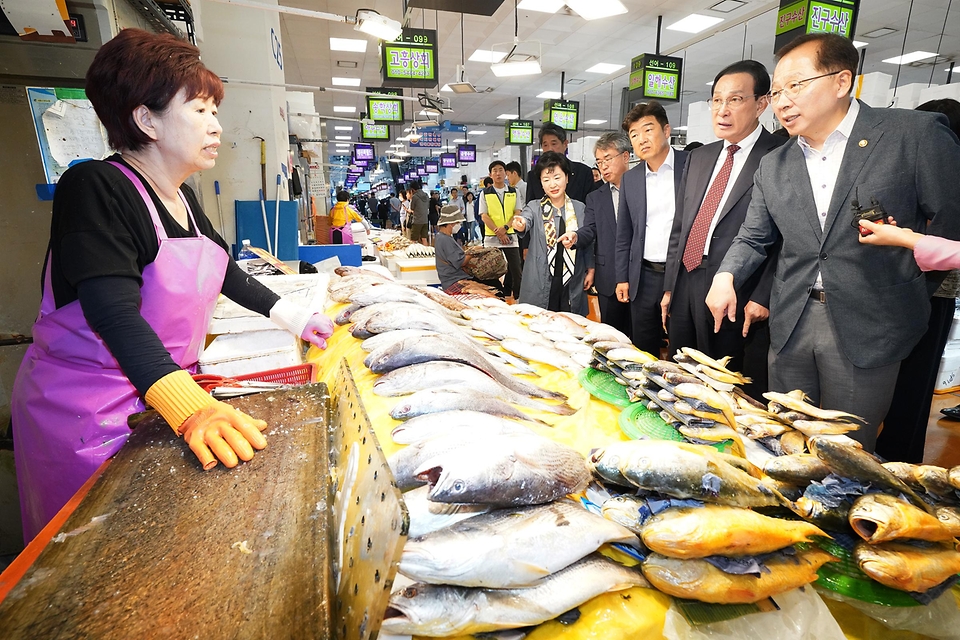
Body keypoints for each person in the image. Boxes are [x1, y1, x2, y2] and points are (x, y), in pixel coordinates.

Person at [10, 29, 335, 542]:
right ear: (146, 119)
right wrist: (194, 409)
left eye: (214, 111)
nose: (217, 127)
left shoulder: (181, 198)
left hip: (161, 396)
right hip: (88, 414)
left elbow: (224, 270)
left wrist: (296, 316)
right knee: (98, 553)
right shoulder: (95, 187)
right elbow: (114, 314)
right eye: (201, 111)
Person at [705, 33, 960, 452]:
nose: (783, 101)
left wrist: (913, 286)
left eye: (796, 86)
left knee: (848, 449)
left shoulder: (911, 136)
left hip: (871, 322)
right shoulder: (775, 163)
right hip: (791, 321)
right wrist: (727, 276)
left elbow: (951, 222)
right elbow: (754, 236)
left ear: (841, 82)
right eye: (777, 91)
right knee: (785, 438)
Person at [662, 60, 785, 398]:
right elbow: (681, 227)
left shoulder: (779, 157)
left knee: (726, 382)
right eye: (716, 100)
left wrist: (762, 295)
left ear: (761, 103)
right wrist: (670, 287)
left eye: (735, 99)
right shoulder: (701, 157)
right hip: (687, 280)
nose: (722, 110)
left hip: (739, 290)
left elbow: (785, 238)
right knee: (681, 372)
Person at [861, 98, 960, 458]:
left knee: (914, 386)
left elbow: (947, 241)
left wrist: (908, 240)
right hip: (905, 287)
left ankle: (900, 459)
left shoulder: (944, 177)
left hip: (932, 290)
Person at [615, 101, 688, 356]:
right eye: (634, 135)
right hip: (643, 275)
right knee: (643, 346)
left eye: (648, 130)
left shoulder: (691, 166)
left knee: (683, 346)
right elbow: (624, 233)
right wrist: (622, 277)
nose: (641, 139)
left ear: (666, 131)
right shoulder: (631, 179)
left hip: (682, 275)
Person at [513, 152, 593, 313]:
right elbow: (525, 219)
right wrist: (520, 223)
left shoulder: (579, 208)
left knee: (570, 324)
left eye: (557, 177)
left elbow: (588, 239)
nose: (552, 184)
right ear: (541, 184)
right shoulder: (535, 207)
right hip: (541, 278)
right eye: (546, 180)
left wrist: (591, 268)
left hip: (571, 279)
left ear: (567, 178)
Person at [572, 132, 632, 336]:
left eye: (608, 159)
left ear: (625, 156)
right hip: (609, 276)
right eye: (599, 161)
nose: (603, 166)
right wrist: (576, 237)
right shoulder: (595, 198)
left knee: (640, 337)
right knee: (612, 337)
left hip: (640, 276)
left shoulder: (643, 189)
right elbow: (590, 230)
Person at [526, 123, 598, 204]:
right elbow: (529, 208)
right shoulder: (534, 176)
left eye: (554, 144)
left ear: (565, 144)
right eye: (545, 145)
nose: (550, 149)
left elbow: (591, 206)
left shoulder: (583, 173)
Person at [480, 162, 522, 299]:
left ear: (506, 173)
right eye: (494, 171)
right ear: (490, 174)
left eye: (501, 170)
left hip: (510, 236)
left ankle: (518, 297)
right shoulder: (485, 193)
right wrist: (498, 232)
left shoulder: (514, 191)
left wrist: (504, 228)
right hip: (492, 238)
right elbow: (484, 216)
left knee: (516, 270)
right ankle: (496, 297)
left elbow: (517, 212)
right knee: (490, 270)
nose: (498, 173)